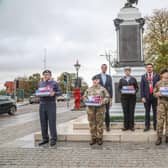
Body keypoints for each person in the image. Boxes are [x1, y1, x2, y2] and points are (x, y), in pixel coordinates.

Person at [37, 70, 61, 146]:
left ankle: (53, 139)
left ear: (50, 75)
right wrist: (37, 94)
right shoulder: (40, 83)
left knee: (51, 122)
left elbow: (60, 92)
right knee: (43, 122)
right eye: (45, 75)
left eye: (47, 75)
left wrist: (54, 93)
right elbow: (38, 91)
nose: (46, 76)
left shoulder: (55, 83)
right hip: (42, 104)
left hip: (51, 104)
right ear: (43, 76)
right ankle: (45, 139)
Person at [83, 75, 109, 145]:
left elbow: (107, 97)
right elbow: (84, 97)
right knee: (92, 124)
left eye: (96, 80)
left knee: (99, 123)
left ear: (99, 81)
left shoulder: (103, 89)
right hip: (91, 109)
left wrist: (103, 101)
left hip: (100, 109)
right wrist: (86, 100)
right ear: (92, 81)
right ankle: (93, 138)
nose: (95, 81)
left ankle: (99, 138)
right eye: (94, 80)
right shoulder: (88, 89)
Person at [140, 63, 160, 131]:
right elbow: (142, 87)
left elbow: (159, 87)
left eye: (150, 67)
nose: (149, 68)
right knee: (147, 112)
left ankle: (155, 126)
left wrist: (158, 94)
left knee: (155, 112)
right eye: (148, 67)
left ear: (152, 68)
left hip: (155, 97)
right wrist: (142, 97)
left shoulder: (157, 76)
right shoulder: (143, 76)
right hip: (146, 97)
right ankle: (147, 126)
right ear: (146, 68)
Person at [118, 66, 139, 131]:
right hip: (124, 98)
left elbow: (137, 88)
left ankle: (131, 126)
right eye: (126, 71)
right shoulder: (121, 79)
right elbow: (119, 88)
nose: (127, 72)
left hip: (132, 98)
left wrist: (134, 91)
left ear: (130, 71)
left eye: (128, 70)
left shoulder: (133, 79)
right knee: (125, 112)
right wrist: (121, 91)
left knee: (131, 112)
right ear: (124, 72)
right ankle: (125, 126)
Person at [154, 69, 168, 145]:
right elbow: (154, 92)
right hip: (161, 104)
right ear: (162, 75)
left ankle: (167, 136)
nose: (167, 74)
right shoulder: (158, 83)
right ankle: (159, 137)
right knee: (160, 121)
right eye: (165, 73)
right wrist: (157, 94)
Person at [96, 64, 113, 131]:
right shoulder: (97, 76)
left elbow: (111, 88)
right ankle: (99, 127)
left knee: (107, 112)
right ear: (101, 68)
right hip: (99, 98)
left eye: (105, 68)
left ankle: (107, 126)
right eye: (103, 68)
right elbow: (95, 87)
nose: (104, 69)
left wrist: (111, 99)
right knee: (99, 113)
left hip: (107, 98)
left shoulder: (109, 77)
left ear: (106, 69)